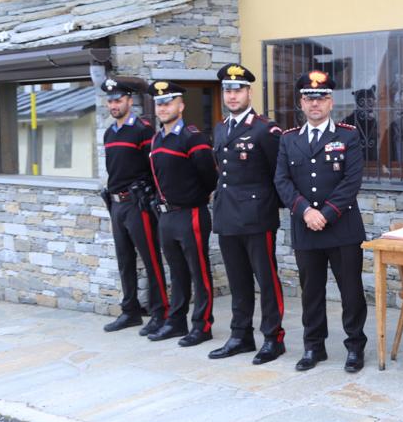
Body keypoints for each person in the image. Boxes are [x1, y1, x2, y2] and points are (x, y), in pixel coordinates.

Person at [274, 69, 368, 373]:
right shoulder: (289, 140)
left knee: (351, 291)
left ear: (331, 102)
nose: (315, 104)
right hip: (306, 229)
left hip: (343, 227)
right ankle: (314, 346)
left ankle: (355, 347)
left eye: (322, 98)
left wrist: (324, 214)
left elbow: (352, 181)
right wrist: (305, 211)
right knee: (311, 291)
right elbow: (282, 180)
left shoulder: (348, 135)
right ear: (301, 103)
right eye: (309, 98)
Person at [209, 64, 286, 365]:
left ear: (249, 92)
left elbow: (277, 174)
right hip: (227, 214)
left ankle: (273, 337)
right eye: (227, 89)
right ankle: (241, 335)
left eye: (237, 89)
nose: (232, 95)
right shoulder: (220, 127)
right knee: (237, 280)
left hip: (257, 215)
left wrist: (271, 209)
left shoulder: (266, 129)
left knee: (266, 279)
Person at [145, 80, 219, 346]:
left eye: (168, 102)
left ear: (181, 105)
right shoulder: (157, 137)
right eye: (159, 103)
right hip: (166, 216)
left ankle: (202, 326)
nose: (163, 108)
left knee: (199, 273)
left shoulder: (192, 137)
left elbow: (209, 176)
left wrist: (195, 197)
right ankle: (176, 322)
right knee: (177, 272)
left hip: (191, 214)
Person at [99, 77, 168, 336]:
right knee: (125, 260)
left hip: (138, 204)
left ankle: (161, 312)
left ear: (129, 100)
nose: (114, 105)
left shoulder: (142, 130)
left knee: (151, 260)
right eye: (110, 101)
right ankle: (130, 311)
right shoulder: (109, 132)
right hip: (116, 205)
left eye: (118, 100)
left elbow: (153, 168)